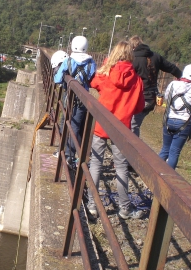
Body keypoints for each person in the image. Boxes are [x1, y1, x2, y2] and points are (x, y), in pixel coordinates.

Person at [87, 41, 145, 220]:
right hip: (122, 128)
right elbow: (139, 107)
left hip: (101, 125)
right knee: (121, 168)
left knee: (96, 164)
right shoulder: (137, 80)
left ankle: (92, 206)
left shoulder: (107, 73)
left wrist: (106, 65)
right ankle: (125, 209)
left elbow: (94, 82)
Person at [54, 36, 97, 167]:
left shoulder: (68, 61)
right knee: (78, 126)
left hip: (70, 97)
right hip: (83, 98)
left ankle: (68, 154)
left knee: (68, 123)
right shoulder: (91, 63)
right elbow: (92, 78)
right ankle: (79, 154)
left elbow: (57, 79)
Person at [129, 35, 182, 137]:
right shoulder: (156, 56)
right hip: (151, 98)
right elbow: (171, 67)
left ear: (132, 47)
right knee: (133, 124)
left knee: (132, 126)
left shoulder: (133, 59)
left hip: (138, 98)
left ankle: (131, 149)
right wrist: (182, 77)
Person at [159, 64, 191, 169]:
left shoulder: (172, 84)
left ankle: (153, 173)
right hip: (184, 124)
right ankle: (167, 179)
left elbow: (167, 97)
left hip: (169, 120)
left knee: (165, 149)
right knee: (174, 152)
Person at [51, 50, 69, 158]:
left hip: (70, 97)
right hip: (78, 100)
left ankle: (63, 152)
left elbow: (57, 79)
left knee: (65, 123)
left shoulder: (66, 64)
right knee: (72, 126)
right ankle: (68, 153)